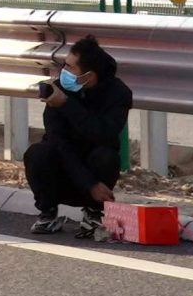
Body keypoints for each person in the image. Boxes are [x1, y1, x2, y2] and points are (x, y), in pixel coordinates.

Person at [24, 33, 133, 238]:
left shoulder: (119, 94)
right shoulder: (57, 91)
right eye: (64, 65)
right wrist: (89, 183)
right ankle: (48, 213)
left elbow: (104, 134)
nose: (64, 72)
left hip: (95, 173)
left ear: (88, 76)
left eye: (70, 67)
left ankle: (93, 212)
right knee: (37, 153)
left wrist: (67, 105)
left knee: (106, 156)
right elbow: (58, 142)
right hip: (65, 171)